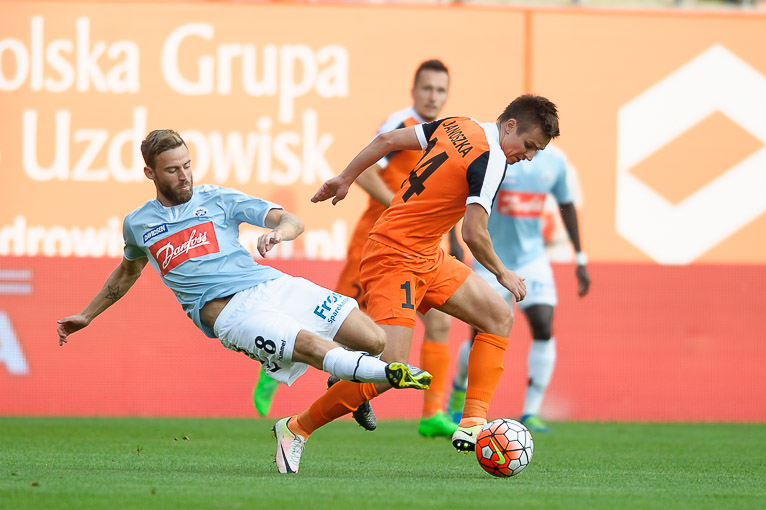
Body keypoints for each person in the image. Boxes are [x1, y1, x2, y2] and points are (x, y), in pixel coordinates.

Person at [56, 129, 433, 474]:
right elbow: (127, 272)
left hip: (271, 285)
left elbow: (291, 220)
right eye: (172, 170)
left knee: (373, 340)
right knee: (311, 347)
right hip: (231, 315)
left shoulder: (216, 198)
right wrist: (87, 315)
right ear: (149, 173)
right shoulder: (138, 224)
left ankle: (347, 375)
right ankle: (382, 378)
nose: (184, 176)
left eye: (187, 165)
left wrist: (279, 233)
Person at [270, 94, 560, 474]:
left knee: (497, 316)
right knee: (391, 370)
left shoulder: (458, 125)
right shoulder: (491, 160)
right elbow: (473, 233)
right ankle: (296, 427)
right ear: (510, 126)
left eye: (536, 151)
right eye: (529, 145)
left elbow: (387, 140)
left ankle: (472, 421)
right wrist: (502, 273)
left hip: (426, 256)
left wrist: (345, 177)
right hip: (394, 257)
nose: (529, 156)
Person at [253, 59, 460, 439]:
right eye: (428, 88)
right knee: (338, 322)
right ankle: (277, 360)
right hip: (377, 241)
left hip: (420, 248)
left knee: (439, 322)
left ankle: (432, 413)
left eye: (441, 90)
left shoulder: (446, 135)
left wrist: (455, 242)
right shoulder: (401, 124)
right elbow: (363, 171)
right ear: (414, 91)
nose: (434, 96)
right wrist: (399, 206)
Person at [446, 143, 591, 433]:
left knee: (543, 324)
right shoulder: (497, 156)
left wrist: (579, 257)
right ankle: (459, 392)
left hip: (532, 260)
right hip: (490, 259)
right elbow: (456, 195)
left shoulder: (555, 162)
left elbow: (567, 206)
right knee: (480, 334)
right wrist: (453, 240)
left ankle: (531, 412)